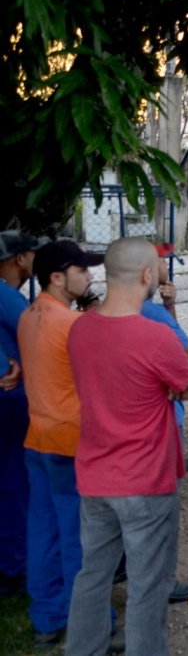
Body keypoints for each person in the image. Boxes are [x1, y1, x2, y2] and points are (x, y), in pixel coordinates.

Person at [65, 237, 188, 656]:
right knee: (149, 582)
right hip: (146, 479)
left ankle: (82, 650)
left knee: (92, 574)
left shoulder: (79, 329)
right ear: (147, 276)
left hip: (94, 474)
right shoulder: (155, 336)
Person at [18, 240, 104, 647]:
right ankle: (92, 622)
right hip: (71, 442)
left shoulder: (29, 315)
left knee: (44, 531)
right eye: (82, 269)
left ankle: (47, 618)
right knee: (81, 537)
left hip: (37, 438)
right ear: (57, 276)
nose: (89, 275)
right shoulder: (71, 324)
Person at [138, 242, 188, 605]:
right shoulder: (152, 314)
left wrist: (171, 306)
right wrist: (168, 312)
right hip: (164, 418)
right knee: (161, 509)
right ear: (148, 272)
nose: (166, 264)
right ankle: (160, 582)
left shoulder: (102, 315)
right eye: (161, 260)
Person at [0, 231, 43, 599]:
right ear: (19, 260)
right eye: (34, 253)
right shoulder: (3, 293)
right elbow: (37, 330)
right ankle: (14, 567)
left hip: (11, 390)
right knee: (15, 481)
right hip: (11, 398)